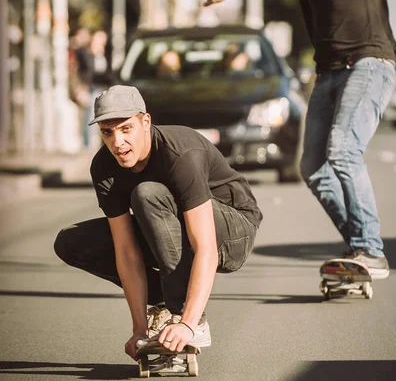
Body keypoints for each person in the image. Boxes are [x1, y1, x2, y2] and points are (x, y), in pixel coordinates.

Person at [204, 0, 396, 279]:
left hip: (368, 63)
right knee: (312, 168)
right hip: (328, 73)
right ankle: (360, 246)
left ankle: (370, 249)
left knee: (343, 151)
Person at [54, 85, 262, 360]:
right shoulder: (104, 166)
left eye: (126, 129)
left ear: (145, 122)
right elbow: (126, 252)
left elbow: (207, 248)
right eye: (108, 132)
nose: (117, 143)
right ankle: (163, 302)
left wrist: (187, 321)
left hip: (232, 230)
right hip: (169, 225)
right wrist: (139, 328)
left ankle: (186, 314)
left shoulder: (180, 154)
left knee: (147, 194)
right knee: (71, 242)